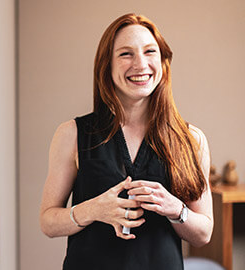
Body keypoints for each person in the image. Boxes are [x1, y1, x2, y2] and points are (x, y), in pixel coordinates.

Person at [39, 13, 213, 270]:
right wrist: (93, 210)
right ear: (106, 66)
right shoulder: (72, 134)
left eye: (149, 51)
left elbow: (204, 233)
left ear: (163, 62)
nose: (140, 64)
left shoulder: (192, 140)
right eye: (125, 54)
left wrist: (176, 209)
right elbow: (48, 223)